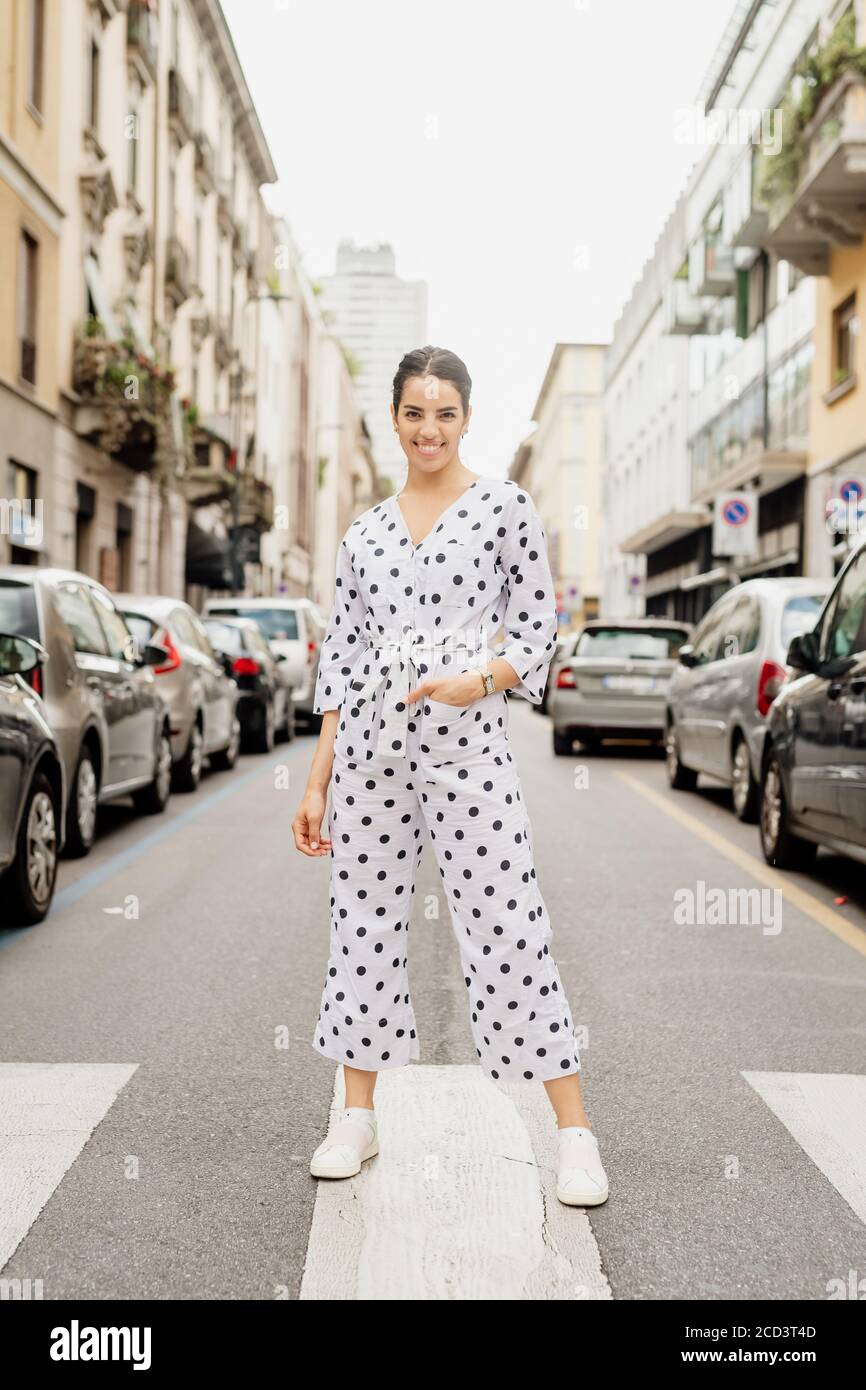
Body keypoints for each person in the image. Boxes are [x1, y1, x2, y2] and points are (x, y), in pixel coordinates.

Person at [292, 346, 608, 1207]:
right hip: (369, 757)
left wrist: (483, 681)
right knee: (361, 927)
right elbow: (344, 660)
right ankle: (357, 1116)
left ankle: (573, 1131)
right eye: (413, 413)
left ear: (466, 418)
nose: (428, 429)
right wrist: (318, 778)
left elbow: (537, 629)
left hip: (470, 751)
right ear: (394, 419)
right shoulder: (363, 532)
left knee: (510, 926)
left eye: (444, 413)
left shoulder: (504, 509)